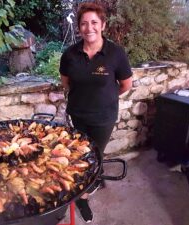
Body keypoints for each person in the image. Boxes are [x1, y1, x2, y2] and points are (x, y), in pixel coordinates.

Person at [59, 2, 133, 223]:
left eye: (93, 22)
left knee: (95, 156)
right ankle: (85, 191)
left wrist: (106, 98)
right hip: (78, 115)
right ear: (79, 28)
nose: (88, 27)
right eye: (83, 23)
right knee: (80, 156)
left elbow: (125, 85)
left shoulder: (116, 54)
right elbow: (66, 83)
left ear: (102, 25)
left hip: (103, 118)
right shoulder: (70, 55)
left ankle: (84, 194)